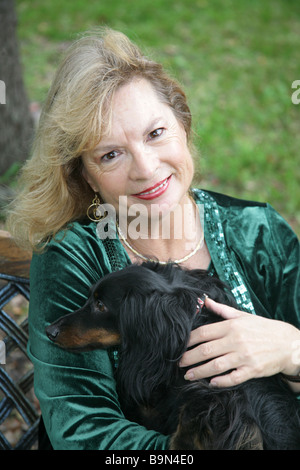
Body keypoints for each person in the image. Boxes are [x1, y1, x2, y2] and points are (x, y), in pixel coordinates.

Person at [7, 28, 299, 450]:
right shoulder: (71, 255)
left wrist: (291, 349)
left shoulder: (259, 231)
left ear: (182, 123)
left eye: (155, 133)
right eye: (110, 154)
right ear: (83, 174)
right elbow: (81, 430)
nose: (145, 168)